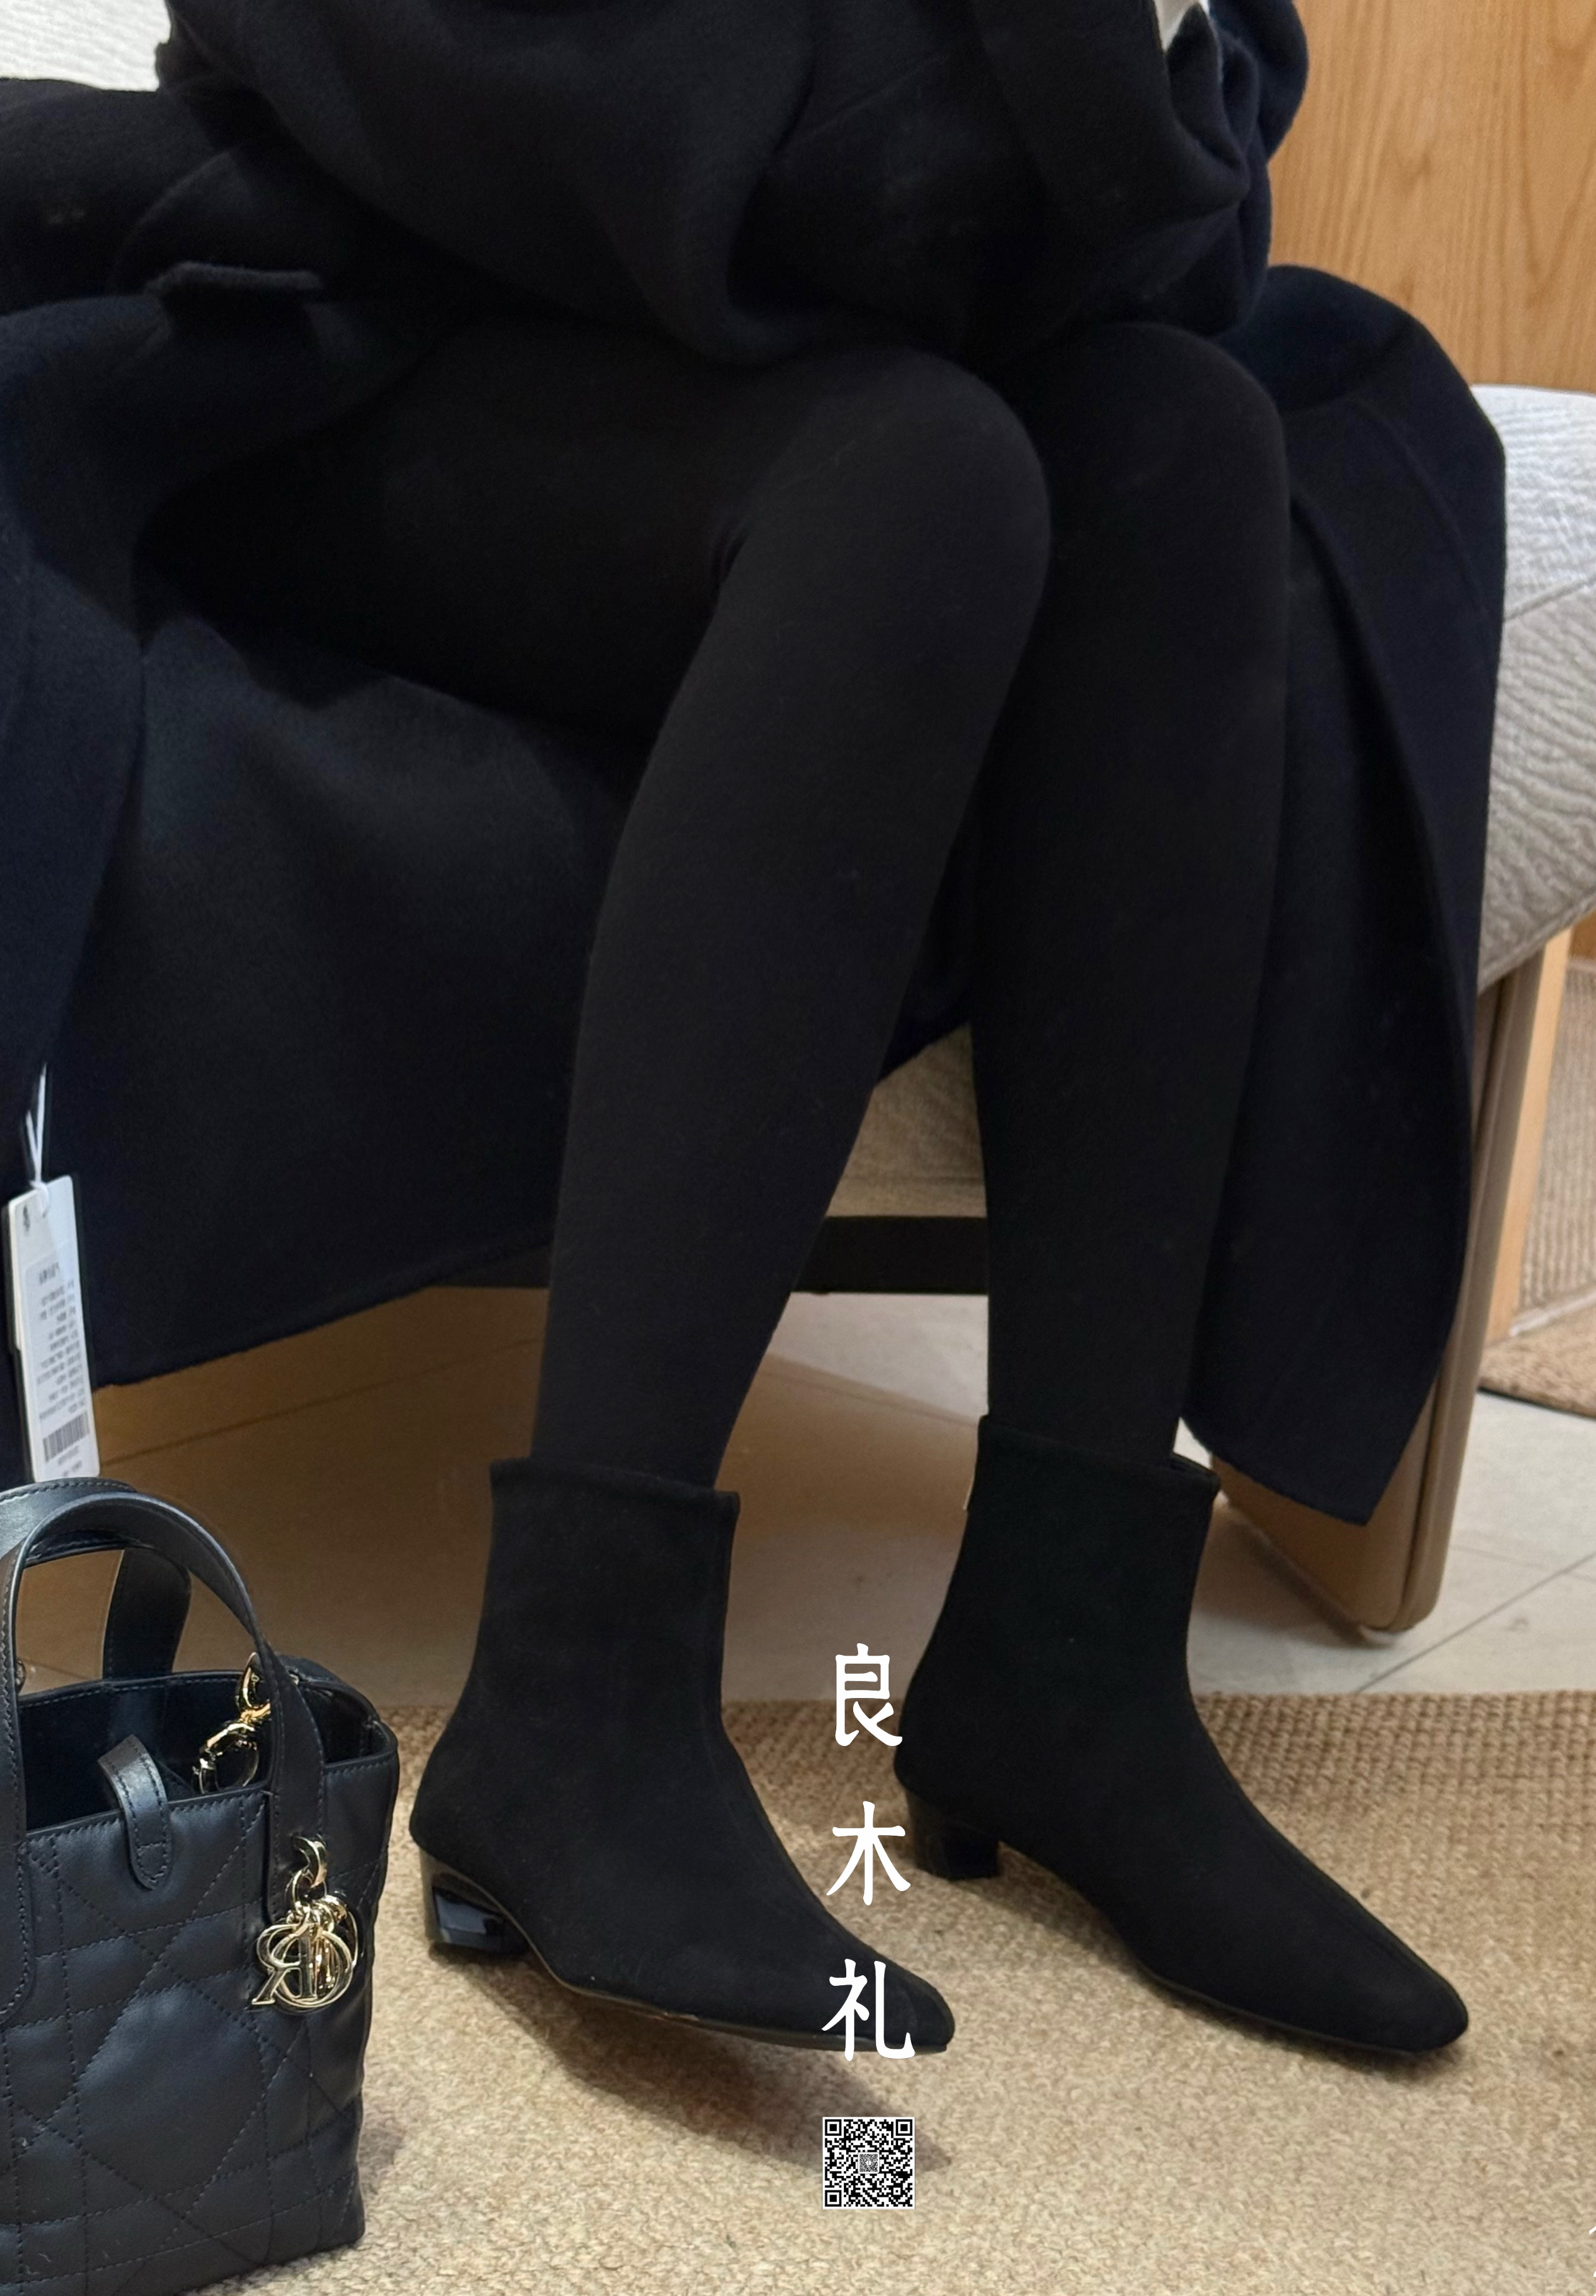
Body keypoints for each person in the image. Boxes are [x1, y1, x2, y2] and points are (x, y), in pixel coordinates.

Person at [6, 0, 1503, 2057]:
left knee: (1184, 439)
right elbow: (596, 135)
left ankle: (1067, 1663)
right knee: (920, 478)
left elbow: (1173, 236)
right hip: (359, 313)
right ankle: (576, 1706)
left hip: (746, 348)